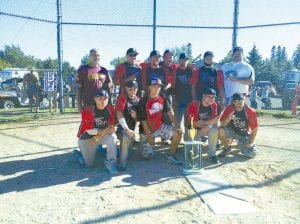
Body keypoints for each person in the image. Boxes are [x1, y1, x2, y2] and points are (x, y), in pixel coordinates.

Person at [138, 77, 183, 165]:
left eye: (159, 86)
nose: (157, 88)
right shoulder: (143, 101)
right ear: (149, 87)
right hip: (146, 130)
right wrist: (149, 136)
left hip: (159, 126)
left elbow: (170, 113)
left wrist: (177, 126)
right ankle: (146, 145)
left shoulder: (162, 97)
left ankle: (171, 155)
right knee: (147, 155)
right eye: (155, 86)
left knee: (178, 132)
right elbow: (143, 121)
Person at [77, 89, 118, 174]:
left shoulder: (110, 109)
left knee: (113, 137)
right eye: (100, 98)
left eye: (105, 98)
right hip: (86, 138)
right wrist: (108, 130)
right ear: (95, 99)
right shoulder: (88, 110)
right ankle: (78, 155)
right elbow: (89, 131)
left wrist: (113, 129)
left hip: (100, 136)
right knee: (89, 164)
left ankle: (110, 162)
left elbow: (111, 126)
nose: (103, 101)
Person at [218, 93, 258, 158]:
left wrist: (251, 142)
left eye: (240, 100)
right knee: (219, 130)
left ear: (244, 99)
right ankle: (227, 148)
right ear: (233, 102)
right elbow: (222, 124)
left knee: (252, 154)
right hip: (232, 131)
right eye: (236, 101)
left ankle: (241, 144)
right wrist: (228, 118)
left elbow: (255, 128)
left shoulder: (250, 111)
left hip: (244, 134)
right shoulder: (229, 108)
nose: (239, 102)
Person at [185, 88, 219, 164]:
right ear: (203, 96)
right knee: (194, 154)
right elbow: (191, 123)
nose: (211, 99)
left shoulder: (214, 105)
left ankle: (211, 154)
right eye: (209, 97)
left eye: (213, 97)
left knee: (214, 130)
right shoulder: (194, 104)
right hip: (193, 129)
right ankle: (193, 145)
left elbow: (215, 120)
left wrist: (208, 125)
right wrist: (208, 122)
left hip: (205, 128)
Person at [76, 48, 113, 113]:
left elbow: (108, 89)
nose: (96, 57)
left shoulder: (104, 70)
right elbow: (79, 89)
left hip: (102, 106)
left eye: (98, 55)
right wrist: (79, 106)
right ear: (89, 57)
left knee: (102, 123)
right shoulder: (83, 69)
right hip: (88, 105)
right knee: (88, 123)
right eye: (94, 55)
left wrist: (109, 104)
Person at [115, 80, 140, 171]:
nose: (133, 91)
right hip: (121, 128)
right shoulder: (122, 97)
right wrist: (127, 129)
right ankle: (121, 164)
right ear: (126, 88)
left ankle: (146, 151)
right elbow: (119, 115)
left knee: (128, 152)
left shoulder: (138, 100)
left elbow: (139, 119)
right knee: (126, 138)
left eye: (135, 89)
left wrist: (136, 130)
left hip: (133, 129)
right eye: (130, 89)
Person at [173, 53, 197, 139]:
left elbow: (194, 85)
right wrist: (174, 101)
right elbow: (173, 88)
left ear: (187, 61)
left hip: (189, 101)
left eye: (185, 60)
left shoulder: (191, 71)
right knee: (177, 124)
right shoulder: (175, 71)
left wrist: (194, 99)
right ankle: (176, 140)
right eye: (181, 60)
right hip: (178, 101)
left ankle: (187, 140)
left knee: (188, 123)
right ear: (179, 61)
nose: (183, 62)